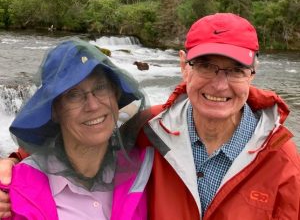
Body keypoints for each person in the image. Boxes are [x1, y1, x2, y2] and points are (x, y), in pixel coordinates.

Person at [1, 13, 300, 219]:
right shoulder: (151, 129)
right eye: (206, 65)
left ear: (252, 74)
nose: (220, 84)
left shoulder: (280, 158)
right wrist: (13, 161)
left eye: (235, 70)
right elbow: (86, 137)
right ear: (184, 66)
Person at [0, 38, 152, 219]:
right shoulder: (13, 195)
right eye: (74, 95)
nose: (93, 105)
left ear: (115, 94)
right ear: (54, 110)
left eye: (101, 87)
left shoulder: (149, 167)